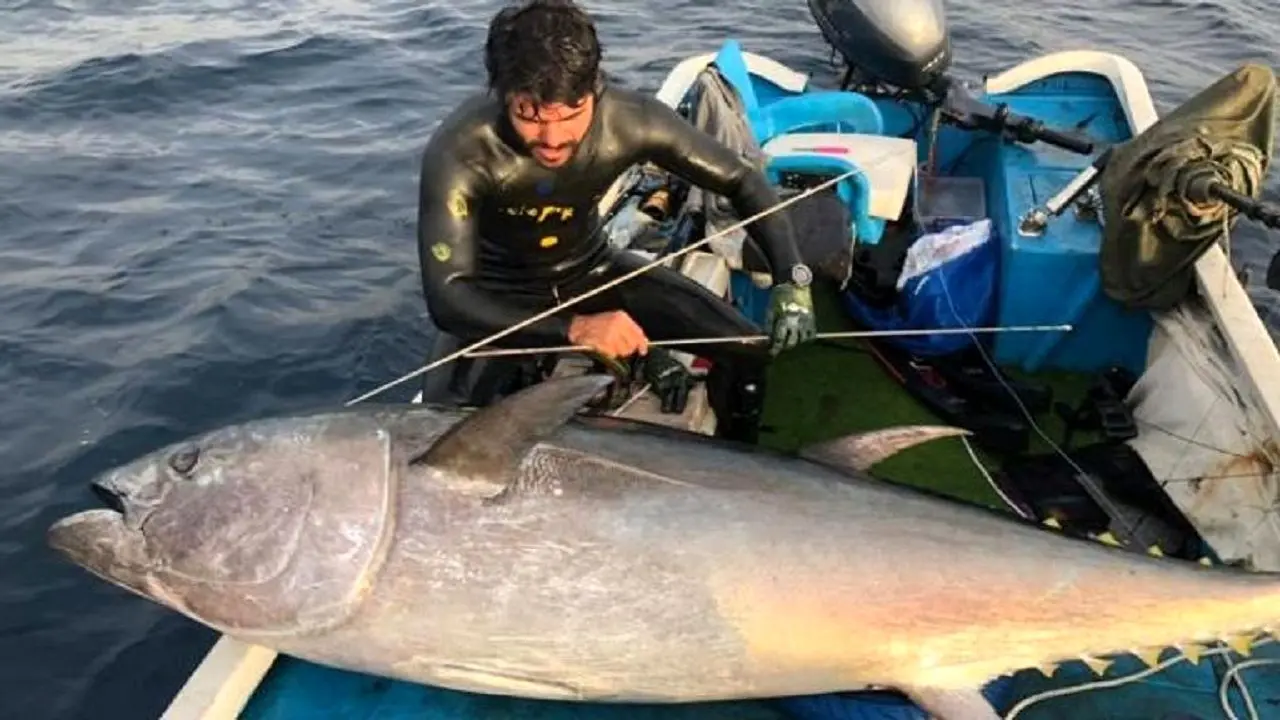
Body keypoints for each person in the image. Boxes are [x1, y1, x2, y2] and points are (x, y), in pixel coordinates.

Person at [415, 0, 817, 439]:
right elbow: (449, 298)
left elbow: (741, 179)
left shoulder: (629, 120)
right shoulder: (463, 149)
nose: (553, 139)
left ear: (596, 88)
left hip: (591, 271)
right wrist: (577, 330)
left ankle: (736, 458)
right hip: (498, 295)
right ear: (501, 94)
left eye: (572, 113)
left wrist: (792, 277)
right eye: (529, 114)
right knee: (443, 423)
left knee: (748, 350)